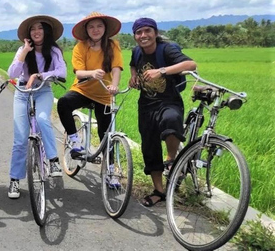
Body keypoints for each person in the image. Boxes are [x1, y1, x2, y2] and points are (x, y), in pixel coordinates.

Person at [128, 17, 197, 207]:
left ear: (155, 33)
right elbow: (133, 64)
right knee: (149, 147)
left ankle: (171, 159)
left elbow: (191, 65)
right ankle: (159, 190)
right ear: (135, 36)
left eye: (147, 31)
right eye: (139, 32)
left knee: (171, 120)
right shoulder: (136, 51)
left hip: (169, 100)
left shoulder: (166, 49)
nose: (143, 36)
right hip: (146, 105)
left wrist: (162, 70)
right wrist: (133, 77)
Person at [7, 15, 67, 199]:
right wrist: (24, 52)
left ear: (46, 31)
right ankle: (15, 180)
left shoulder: (54, 51)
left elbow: (62, 71)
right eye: (32, 29)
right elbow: (12, 74)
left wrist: (40, 75)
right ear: (28, 34)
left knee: (42, 119)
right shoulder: (22, 50)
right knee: (20, 139)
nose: (36, 32)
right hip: (22, 92)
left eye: (40, 28)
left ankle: (53, 160)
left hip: (43, 90)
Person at [57, 11, 123, 169]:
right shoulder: (80, 47)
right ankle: (74, 139)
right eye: (91, 27)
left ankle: (110, 170)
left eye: (99, 26)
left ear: (105, 28)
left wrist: (114, 85)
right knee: (64, 103)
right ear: (86, 30)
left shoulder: (113, 45)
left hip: (104, 94)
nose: (95, 30)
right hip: (83, 91)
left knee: (105, 134)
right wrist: (92, 73)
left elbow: (116, 68)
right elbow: (79, 72)